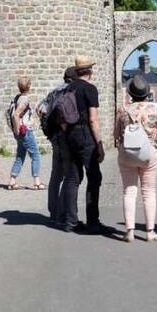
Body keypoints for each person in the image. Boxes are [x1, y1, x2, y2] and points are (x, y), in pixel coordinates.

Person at [114, 75, 157, 243]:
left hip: (127, 154)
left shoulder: (122, 109)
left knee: (129, 191)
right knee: (149, 192)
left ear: (130, 93)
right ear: (146, 93)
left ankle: (129, 231)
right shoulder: (154, 108)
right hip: (148, 153)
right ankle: (150, 232)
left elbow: (116, 135)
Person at [59, 55, 105, 234]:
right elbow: (93, 119)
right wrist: (99, 144)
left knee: (72, 178)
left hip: (68, 135)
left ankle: (70, 222)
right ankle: (93, 222)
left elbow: (60, 116)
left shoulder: (67, 88)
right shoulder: (89, 89)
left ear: (77, 71)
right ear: (90, 71)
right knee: (94, 177)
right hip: (85, 134)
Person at [37, 66, 77, 223]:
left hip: (55, 137)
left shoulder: (54, 91)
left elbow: (40, 109)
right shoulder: (71, 91)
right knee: (69, 176)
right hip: (67, 136)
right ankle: (62, 212)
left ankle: (53, 211)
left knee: (56, 175)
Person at [7, 77, 44, 190]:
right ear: (29, 86)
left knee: (20, 155)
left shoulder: (17, 98)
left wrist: (16, 130)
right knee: (36, 155)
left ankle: (12, 181)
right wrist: (18, 129)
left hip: (20, 132)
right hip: (25, 131)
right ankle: (37, 182)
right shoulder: (24, 99)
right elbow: (16, 114)